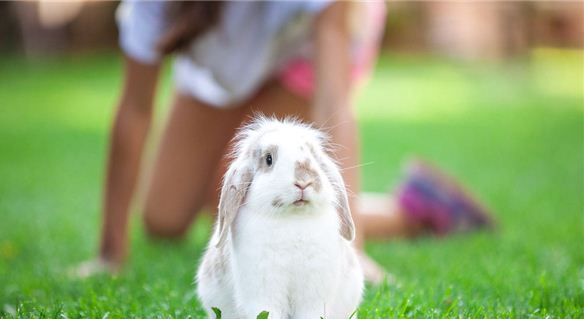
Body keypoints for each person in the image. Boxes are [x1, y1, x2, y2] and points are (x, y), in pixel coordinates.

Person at [78, 1, 493, 282]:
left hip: (309, 46)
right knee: (164, 221)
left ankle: (416, 214)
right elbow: (135, 110)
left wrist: (351, 253)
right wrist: (110, 252)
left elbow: (333, 101)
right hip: (226, 56)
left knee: (248, 197)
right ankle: (414, 204)